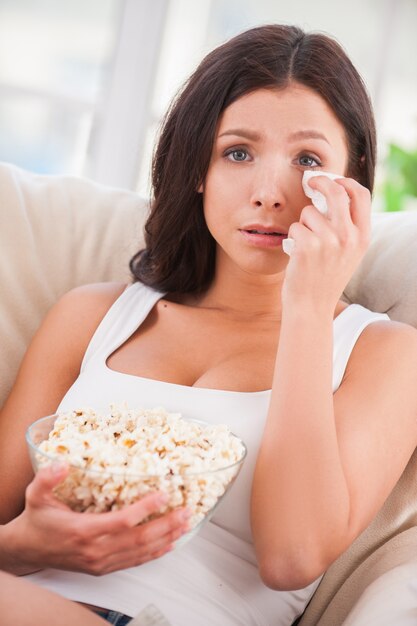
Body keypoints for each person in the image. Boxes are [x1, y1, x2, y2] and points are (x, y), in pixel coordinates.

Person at [1, 23, 417, 626]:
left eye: (307, 159)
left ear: (350, 182)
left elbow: (292, 557)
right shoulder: (93, 317)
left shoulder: (384, 354)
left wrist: (306, 307)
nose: (270, 192)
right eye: (238, 152)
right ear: (199, 168)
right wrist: (23, 546)